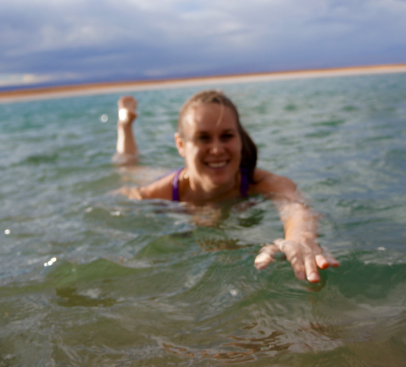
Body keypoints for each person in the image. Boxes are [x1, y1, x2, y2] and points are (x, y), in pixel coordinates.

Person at [113, 90, 339, 283]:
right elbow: (119, 201)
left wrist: (300, 239)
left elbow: (295, 207)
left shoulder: (260, 183)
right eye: (203, 138)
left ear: (240, 139)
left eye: (227, 136)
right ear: (181, 145)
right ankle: (125, 124)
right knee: (129, 168)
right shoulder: (157, 193)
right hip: (164, 180)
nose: (217, 149)